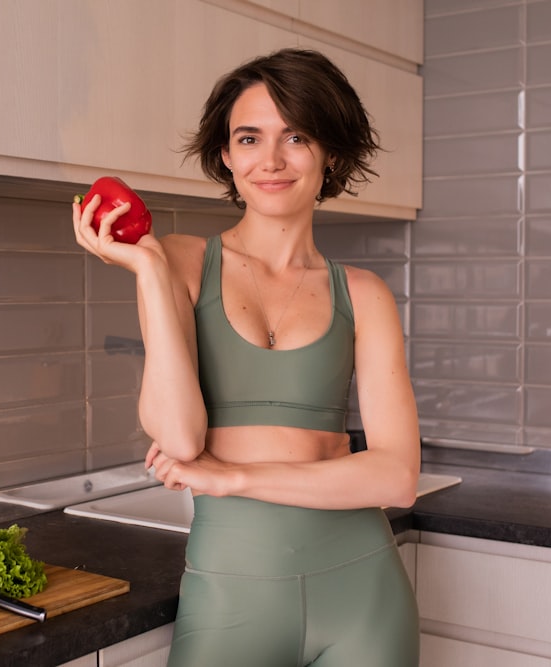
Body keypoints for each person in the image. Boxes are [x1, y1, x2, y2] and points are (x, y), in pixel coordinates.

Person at [73, 48, 421, 666]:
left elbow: (396, 477)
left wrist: (234, 477)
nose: (271, 160)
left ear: (330, 155)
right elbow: (179, 437)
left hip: (364, 594)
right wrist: (148, 270)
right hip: (231, 594)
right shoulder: (180, 262)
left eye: (297, 136)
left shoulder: (363, 295)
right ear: (227, 156)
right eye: (250, 137)